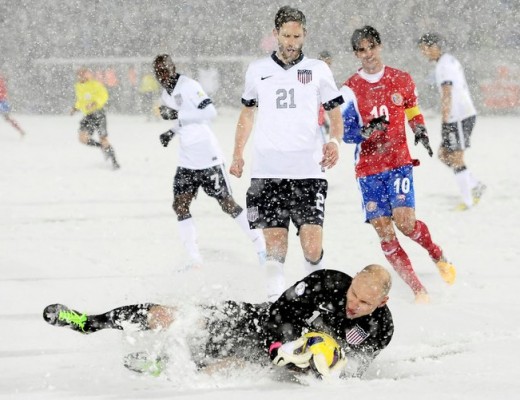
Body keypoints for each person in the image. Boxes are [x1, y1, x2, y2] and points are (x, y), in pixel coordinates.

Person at [43, 264, 394, 380]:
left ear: (382, 302)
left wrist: (309, 366)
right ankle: (90, 322)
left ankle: (168, 365)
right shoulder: (327, 281)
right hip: (261, 322)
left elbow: (350, 370)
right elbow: (279, 312)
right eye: (353, 294)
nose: (353, 304)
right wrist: (278, 344)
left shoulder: (379, 330)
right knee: (179, 315)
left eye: (364, 303)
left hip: (280, 360)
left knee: (229, 367)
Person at [229, 6, 345, 301]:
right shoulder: (257, 70)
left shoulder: (318, 69)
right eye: (286, 36)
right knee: (275, 245)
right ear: (275, 34)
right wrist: (238, 153)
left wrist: (334, 141)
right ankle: (274, 303)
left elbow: (334, 112)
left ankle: (315, 299)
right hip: (267, 171)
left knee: (312, 247)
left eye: (297, 36)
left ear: (304, 35)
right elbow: (247, 114)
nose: (292, 42)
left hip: (308, 169)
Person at [340, 26, 456, 303]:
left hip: (397, 162)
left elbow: (411, 107)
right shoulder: (349, 89)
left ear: (379, 46)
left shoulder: (400, 78)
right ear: (356, 54)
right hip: (368, 170)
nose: (368, 54)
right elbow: (346, 133)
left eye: (371, 47)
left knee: (405, 223)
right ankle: (418, 289)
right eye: (361, 50)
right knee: (384, 230)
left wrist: (419, 129)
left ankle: (436, 253)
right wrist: (367, 131)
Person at [152, 54, 266, 270]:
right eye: (158, 72)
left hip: (207, 156)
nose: (162, 75)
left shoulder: (189, 85)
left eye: (165, 70)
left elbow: (209, 111)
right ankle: (194, 259)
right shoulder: (166, 94)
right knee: (180, 205)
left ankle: (261, 247)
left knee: (228, 204)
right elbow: (186, 118)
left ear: (173, 68)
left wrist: (178, 115)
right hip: (187, 159)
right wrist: (172, 131)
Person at [418, 33, 485, 211]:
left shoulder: (444, 66)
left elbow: (447, 93)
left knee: (456, 158)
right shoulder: (447, 60)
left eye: (424, 48)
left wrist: (445, 121)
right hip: (461, 115)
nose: (423, 53)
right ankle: (475, 184)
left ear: (434, 47)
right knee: (443, 154)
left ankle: (468, 201)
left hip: (459, 117)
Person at [70, 68, 120, 170]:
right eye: (79, 75)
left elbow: (104, 96)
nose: (81, 76)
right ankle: (101, 147)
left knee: (103, 139)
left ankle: (115, 162)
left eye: (84, 74)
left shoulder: (95, 84)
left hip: (98, 114)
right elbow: (81, 100)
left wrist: (95, 103)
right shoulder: (78, 86)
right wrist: (75, 108)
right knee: (83, 138)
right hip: (88, 116)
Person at [0, 72, 25, 137]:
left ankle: (21, 131)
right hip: (3, 100)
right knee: (8, 117)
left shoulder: (1, 78)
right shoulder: (2, 78)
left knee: (7, 117)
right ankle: (21, 131)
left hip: (2, 101)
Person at [318, 50, 333, 137]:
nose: (328, 67)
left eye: (329, 64)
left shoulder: (327, 78)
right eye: (326, 63)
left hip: (319, 124)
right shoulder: (315, 77)